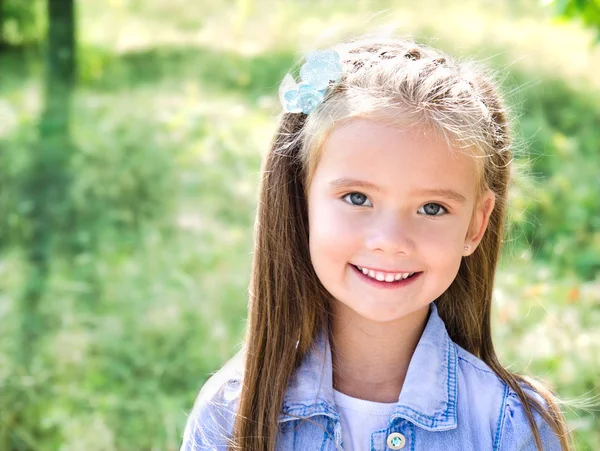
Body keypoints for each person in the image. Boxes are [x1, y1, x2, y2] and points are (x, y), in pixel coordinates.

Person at [180, 35, 573, 451]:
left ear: (476, 226)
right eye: (357, 198)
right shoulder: (231, 412)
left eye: (433, 208)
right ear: (302, 201)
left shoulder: (510, 426)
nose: (390, 242)